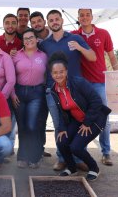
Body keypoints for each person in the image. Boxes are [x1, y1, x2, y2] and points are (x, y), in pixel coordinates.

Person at [40, 9, 96, 171]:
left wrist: (80, 47)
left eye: (57, 19)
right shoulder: (45, 44)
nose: (54, 22)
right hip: (53, 91)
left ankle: (79, 158)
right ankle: (62, 157)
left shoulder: (75, 38)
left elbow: (92, 56)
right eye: (51, 20)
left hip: (75, 91)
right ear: (48, 23)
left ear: (62, 20)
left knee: (79, 123)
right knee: (59, 125)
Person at [48, 51, 111, 181]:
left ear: (66, 71)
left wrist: (87, 122)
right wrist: (62, 128)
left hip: (94, 119)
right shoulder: (54, 89)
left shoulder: (78, 82)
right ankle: (72, 168)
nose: (58, 75)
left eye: (61, 71)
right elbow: (62, 111)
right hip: (77, 120)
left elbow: (96, 101)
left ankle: (94, 168)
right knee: (61, 141)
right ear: (51, 74)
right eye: (55, 73)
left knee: (76, 147)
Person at [71, 8, 118, 166]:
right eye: (81, 15)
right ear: (78, 18)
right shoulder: (73, 35)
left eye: (87, 15)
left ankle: (106, 152)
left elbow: (112, 56)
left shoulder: (104, 33)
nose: (84, 17)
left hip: (100, 82)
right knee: (82, 118)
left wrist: (117, 76)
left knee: (103, 117)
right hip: (81, 85)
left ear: (92, 17)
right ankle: (82, 152)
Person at [11, 28, 47, 168]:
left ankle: (35, 157)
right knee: (22, 126)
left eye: (31, 37)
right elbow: (11, 77)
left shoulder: (43, 56)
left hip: (36, 93)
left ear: (36, 39)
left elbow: (47, 76)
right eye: (25, 38)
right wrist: (13, 94)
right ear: (23, 42)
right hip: (19, 92)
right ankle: (23, 157)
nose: (28, 40)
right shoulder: (16, 56)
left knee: (33, 126)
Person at [29, 11, 52, 157]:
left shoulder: (54, 37)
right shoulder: (32, 39)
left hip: (52, 84)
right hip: (37, 86)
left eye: (39, 21)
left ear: (44, 21)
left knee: (43, 118)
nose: (37, 24)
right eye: (34, 22)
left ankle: (41, 147)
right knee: (35, 119)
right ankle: (36, 148)